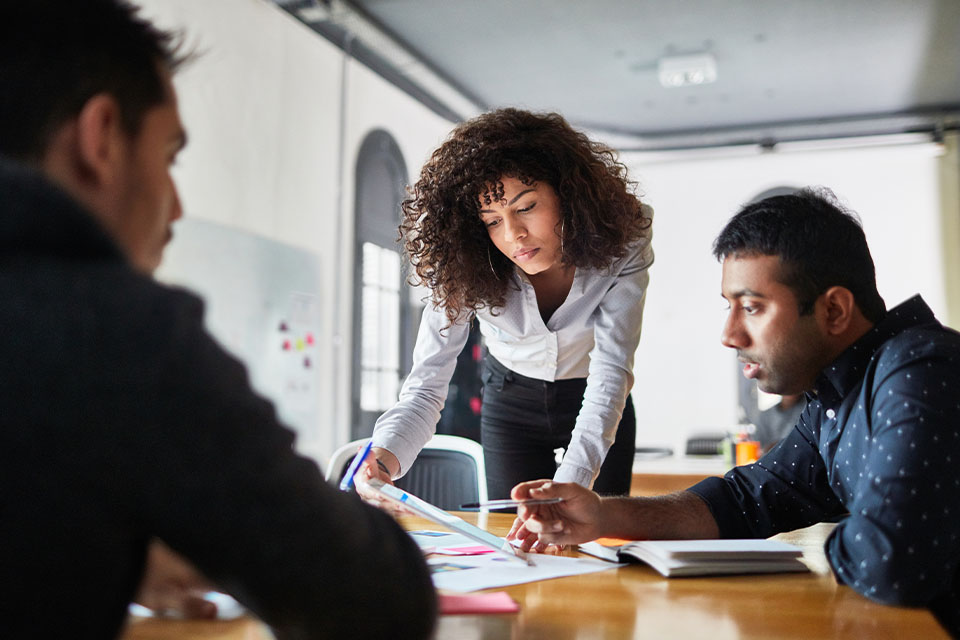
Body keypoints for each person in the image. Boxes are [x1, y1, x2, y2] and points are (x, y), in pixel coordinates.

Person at [0, 1, 435, 638]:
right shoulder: (119, 333)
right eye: (169, 155)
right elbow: (378, 599)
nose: (175, 207)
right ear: (100, 137)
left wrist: (104, 552)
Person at [510, 188, 960, 634]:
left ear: (835, 310)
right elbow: (743, 502)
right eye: (729, 308)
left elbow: (891, 561)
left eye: (752, 307)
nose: (729, 335)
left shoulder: (919, 369)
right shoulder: (836, 396)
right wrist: (603, 517)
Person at [365, 108, 654, 501]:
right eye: (492, 221)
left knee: (600, 535)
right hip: (509, 400)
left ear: (569, 194)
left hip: (597, 393)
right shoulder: (461, 264)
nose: (514, 235)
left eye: (526, 207)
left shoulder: (625, 238)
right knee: (512, 535)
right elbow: (427, 383)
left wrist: (569, 492)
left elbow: (612, 371)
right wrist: (384, 458)